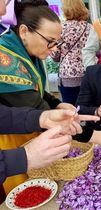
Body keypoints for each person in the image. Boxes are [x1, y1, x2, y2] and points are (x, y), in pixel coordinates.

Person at [0, 0, 75, 193]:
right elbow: (33, 103)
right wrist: (91, 134)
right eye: (50, 41)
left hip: (28, 128)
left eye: (57, 42)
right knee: (23, 191)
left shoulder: (29, 50)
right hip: (13, 141)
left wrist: (58, 105)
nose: (54, 48)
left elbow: (39, 91)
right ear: (24, 31)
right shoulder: (5, 59)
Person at [51, 0, 91, 105]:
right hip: (87, 73)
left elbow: (55, 56)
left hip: (67, 75)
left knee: (70, 108)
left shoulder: (60, 28)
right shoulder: (89, 27)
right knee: (85, 106)